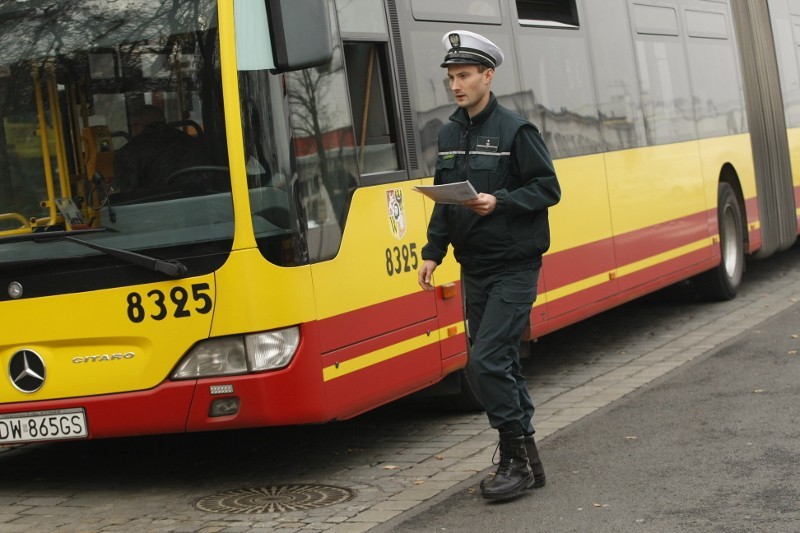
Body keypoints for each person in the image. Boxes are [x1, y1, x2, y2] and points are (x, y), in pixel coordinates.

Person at [417, 30, 561, 501]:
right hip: (473, 266)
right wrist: (432, 252)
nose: (455, 84)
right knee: (502, 364)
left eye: (464, 75)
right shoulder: (448, 134)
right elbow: (444, 201)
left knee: (485, 362)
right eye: (450, 77)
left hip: (515, 265)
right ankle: (529, 461)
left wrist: (498, 201)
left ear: (487, 76)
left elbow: (547, 189)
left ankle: (514, 461)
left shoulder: (516, 131)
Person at [113, 105, 206, 191]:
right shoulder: (189, 141)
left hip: (158, 204)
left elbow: (127, 190)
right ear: (164, 121)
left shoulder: (132, 150)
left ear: (137, 126)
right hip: (200, 196)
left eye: (133, 125)